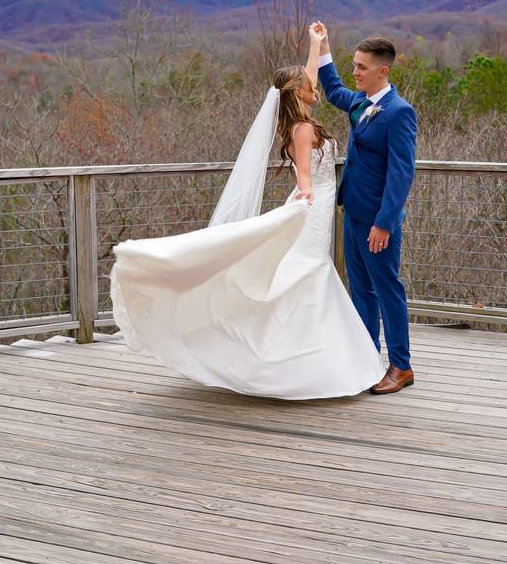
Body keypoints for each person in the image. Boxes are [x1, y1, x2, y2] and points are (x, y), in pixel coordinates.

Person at [109, 25, 384, 399]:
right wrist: (305, 195)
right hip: (313, 206)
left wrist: (316, 45)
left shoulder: (299, 115)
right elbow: (305, 173)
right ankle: (306, 364)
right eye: (309, 83)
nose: (314, 86)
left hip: (316, 206)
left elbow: (306, 80)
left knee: (308, 275)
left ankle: (315, 360)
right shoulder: (302, 129)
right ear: (298, 93)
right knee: (309, 274)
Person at [316, 23, 418, 394]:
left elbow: (401, 173)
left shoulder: (399, 113)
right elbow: (332, 90)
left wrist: (385, 223)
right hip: (353, 214)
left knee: (387, 288)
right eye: (353, 65)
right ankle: (365, 358)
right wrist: (323, 47)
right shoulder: (360, 102)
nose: (354, 72)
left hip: (378, 221)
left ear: (382, 71)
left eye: (360, 67)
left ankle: (401, 367)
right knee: (360, 289)